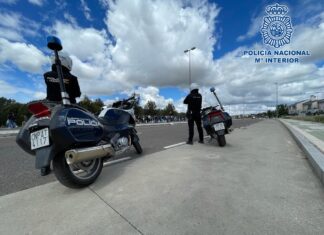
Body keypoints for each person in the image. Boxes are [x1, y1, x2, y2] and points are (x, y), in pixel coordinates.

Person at [41, 51, 81, 176]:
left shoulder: (46, 75)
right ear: (67, 62)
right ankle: (76, 160)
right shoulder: (72, 78)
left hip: (51, 107)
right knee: (76, 131)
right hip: (67, 106)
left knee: (47, 134)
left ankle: (44, 165)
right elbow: (77, 93)